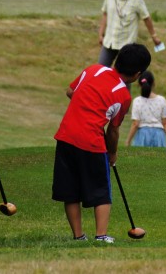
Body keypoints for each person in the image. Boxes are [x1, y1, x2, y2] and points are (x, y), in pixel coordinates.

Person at [53, 43, 151, 244]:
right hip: (91, 142)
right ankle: (101, 236)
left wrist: (84, 104)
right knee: (101, 190)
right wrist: (112, 154)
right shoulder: (123, 95)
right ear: (137, 73)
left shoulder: (93, 69)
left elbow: (70, 91)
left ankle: (78, 236)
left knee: (71, 191)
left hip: (65, 136)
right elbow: (113, 130)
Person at [98, 0, 162, 67]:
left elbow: (146, 18)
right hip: (109, 42)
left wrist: (154, 36)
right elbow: (105, 14)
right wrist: (101, 34)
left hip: (126, 45)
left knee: (124, 75)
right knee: (100, 71)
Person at [125, 70, 166, 148]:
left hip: (142, 136)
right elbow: (165, 123)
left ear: (139, 85)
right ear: (154, 83)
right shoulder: (161, 100)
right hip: (159, 136)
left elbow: (135, 124)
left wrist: (128, 141)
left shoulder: (137, 101)